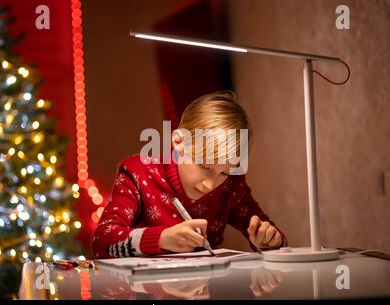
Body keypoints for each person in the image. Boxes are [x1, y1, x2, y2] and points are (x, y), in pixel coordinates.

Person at [91, 91, 287, 258]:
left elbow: (275, 237)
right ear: (178, 142)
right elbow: (101, 241)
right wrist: (161, 239)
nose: (210, 184)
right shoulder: (137, 173)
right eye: (204, 166)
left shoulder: (231, 184)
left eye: (224, 172)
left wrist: (268, 239)